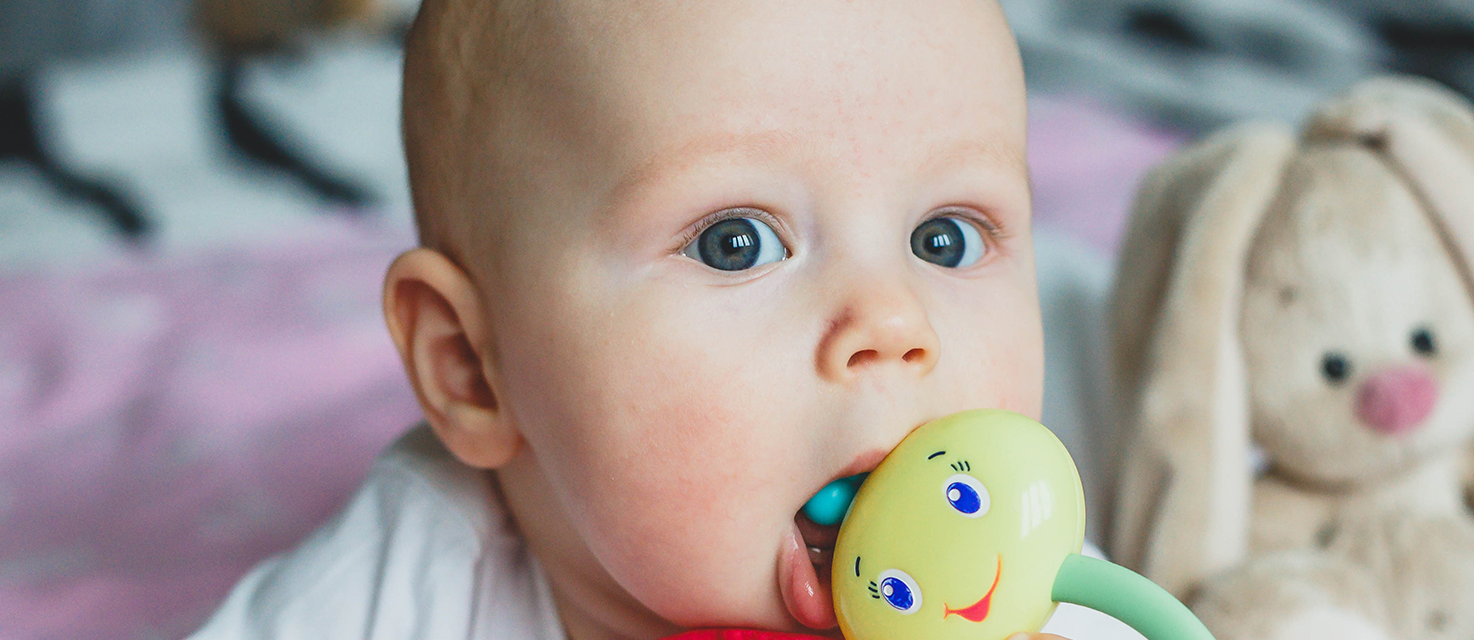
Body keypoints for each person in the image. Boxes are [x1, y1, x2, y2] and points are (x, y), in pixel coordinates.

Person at [189, 1, 1109, 638]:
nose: (892, 321)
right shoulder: (413, 583)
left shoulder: (1021, 579)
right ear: (473, 363)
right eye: (735, 244)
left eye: (945, 239)